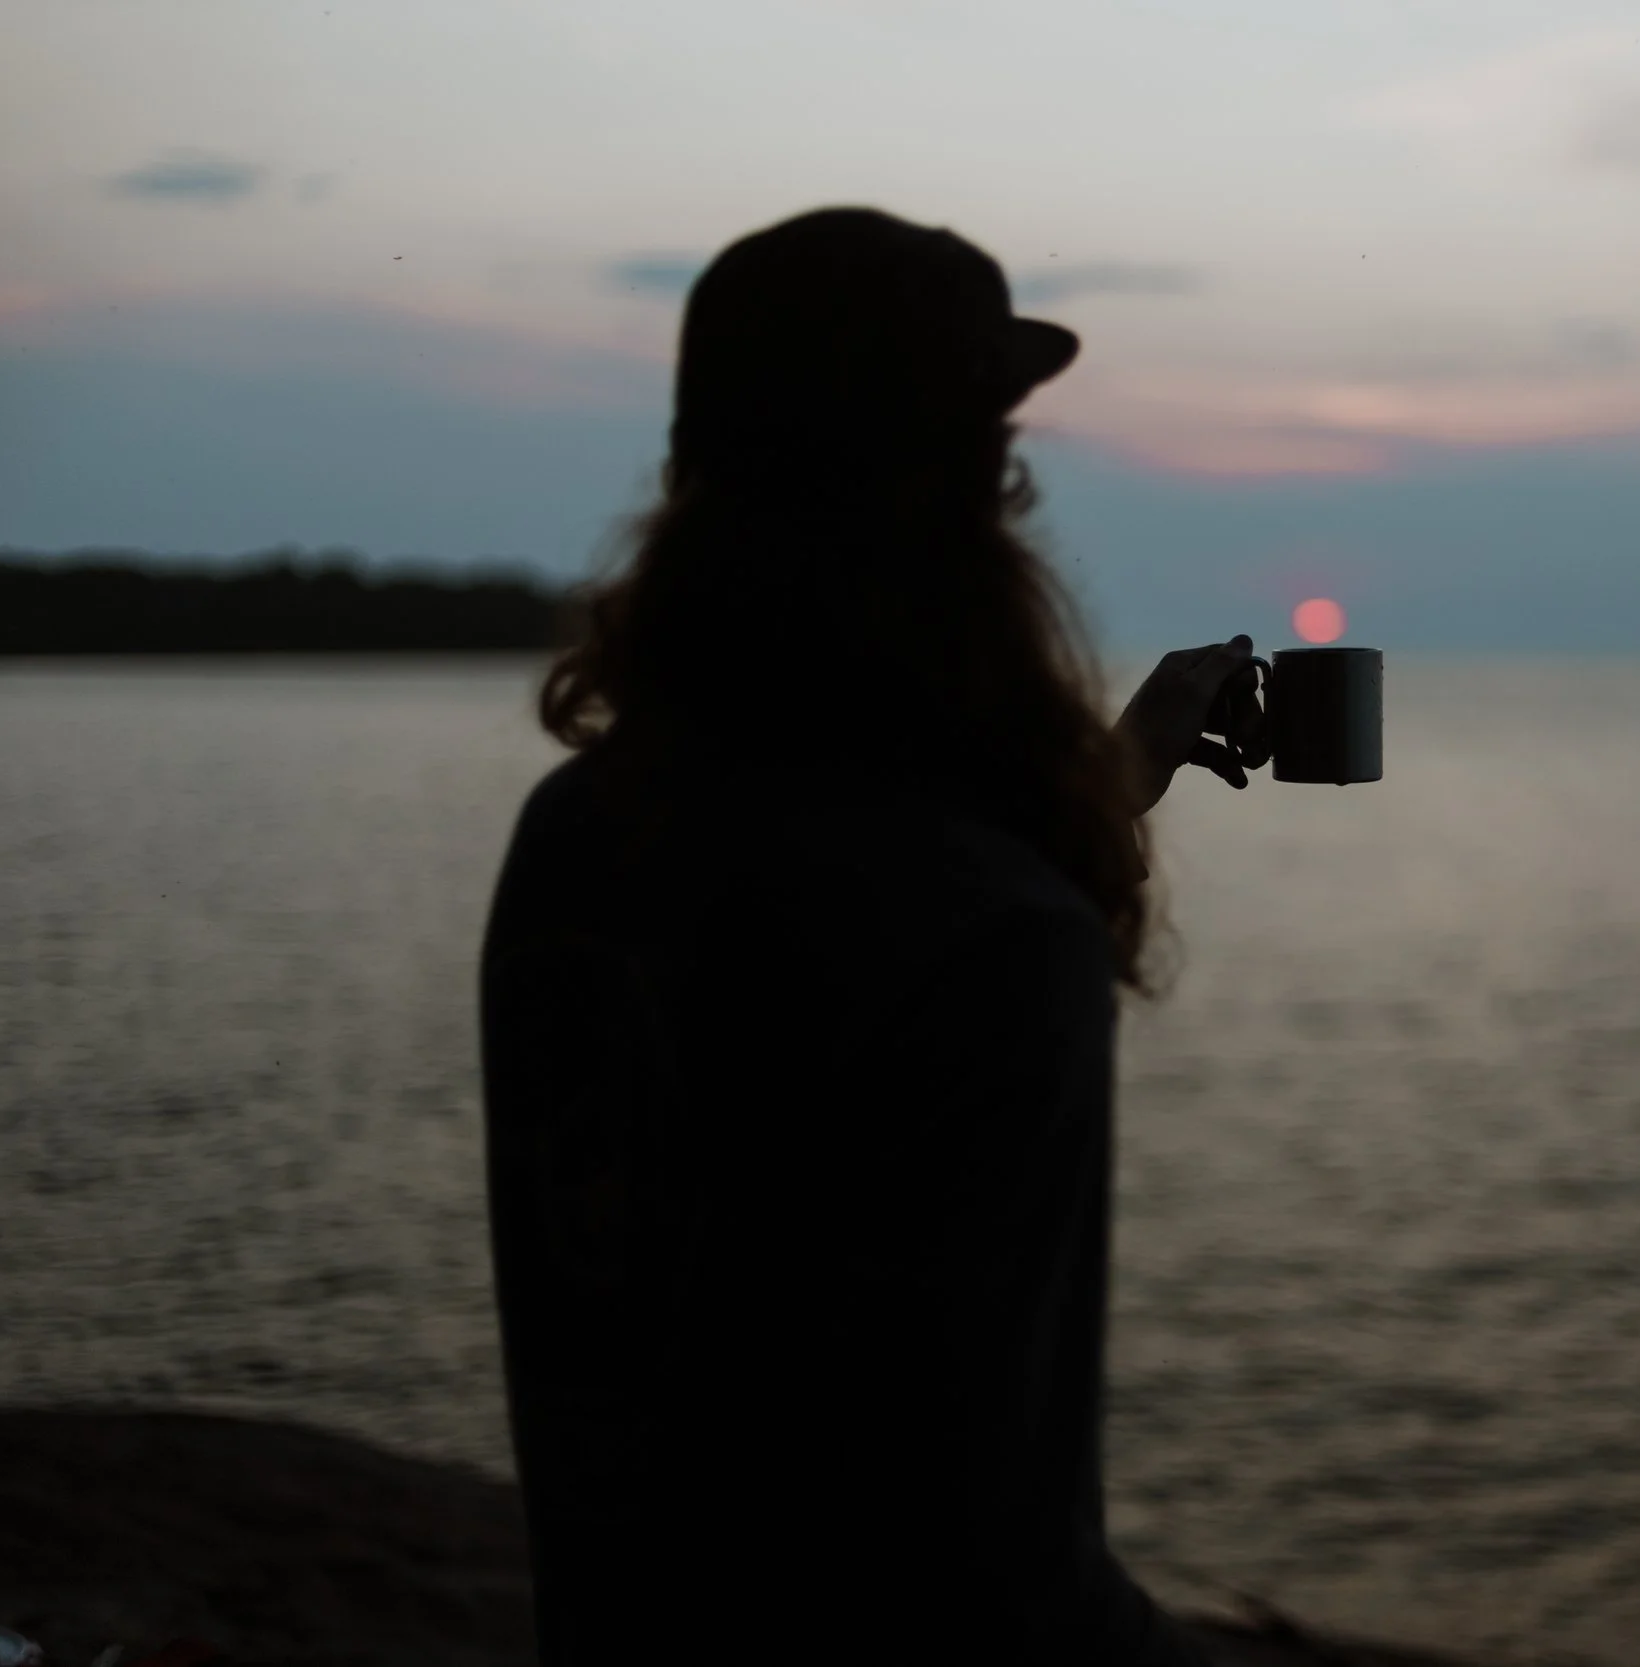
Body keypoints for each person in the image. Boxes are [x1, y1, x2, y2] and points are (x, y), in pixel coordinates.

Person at [478, 207, 1267, 1664]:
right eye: (998, 459)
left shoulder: (579, 834)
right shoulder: (995, 938)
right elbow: (998, 1587)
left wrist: (1115, 774)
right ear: (968, 491)